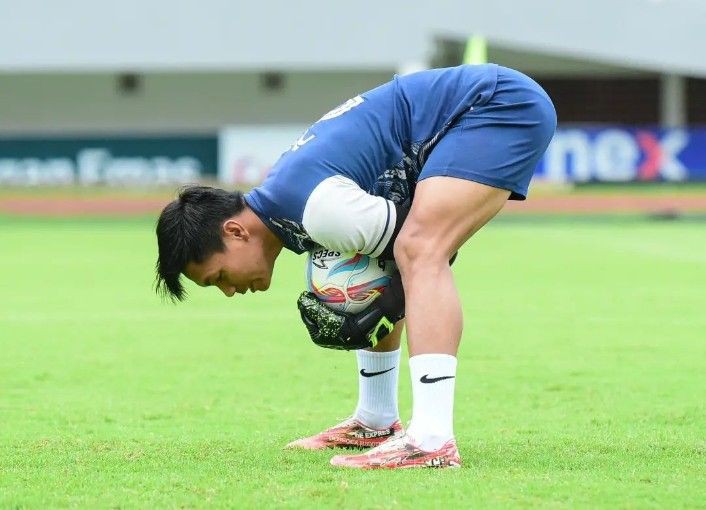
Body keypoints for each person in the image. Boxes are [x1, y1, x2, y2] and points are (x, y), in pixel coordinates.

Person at [155, 63, 556, 469]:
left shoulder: (318, 211)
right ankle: (376, 420)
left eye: (219, 277)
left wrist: (383, 304)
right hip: (473, 107)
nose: (229, 291)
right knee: (383, 259)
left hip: (495, 104)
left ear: (235, 231)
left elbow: (429, 250)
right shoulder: (288, 204)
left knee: (419, 248)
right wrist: (378, 297)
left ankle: (432, 439)